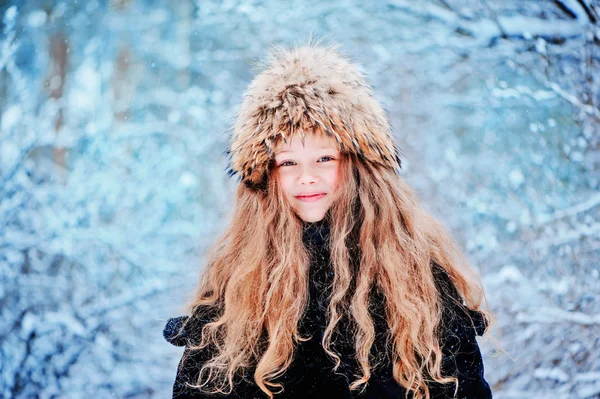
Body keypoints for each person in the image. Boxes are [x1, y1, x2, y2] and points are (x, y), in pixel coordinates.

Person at [163, 42, 495, 399]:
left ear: (358, 166)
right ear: (266, 174)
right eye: (288, 162)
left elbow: (464, 387)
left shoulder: (416, 280)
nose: (307, 177)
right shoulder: (239, 281)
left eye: (324, 159)